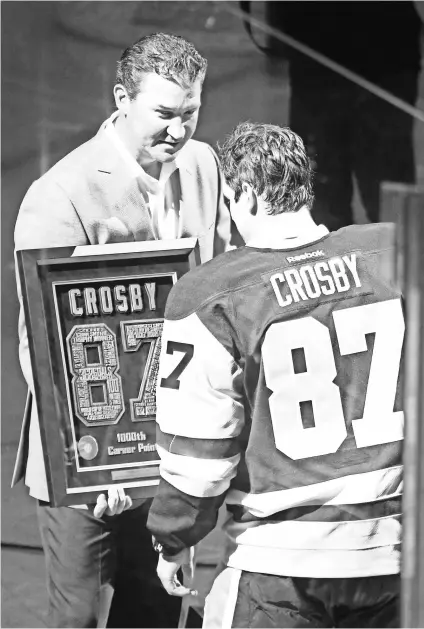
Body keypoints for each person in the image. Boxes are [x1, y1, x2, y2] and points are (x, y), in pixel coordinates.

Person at [13, 32, 236, 629]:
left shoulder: (204, 164)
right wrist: (99, 466)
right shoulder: (59, 195)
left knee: (160, 610)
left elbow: (220, 285)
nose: (179, 130)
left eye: (190, 112)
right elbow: (44, 345)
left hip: (170, 448)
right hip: (88, 458)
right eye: (163, 114)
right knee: (78, 616)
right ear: (121, 98)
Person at [147, 122, 404, 628]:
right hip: (394, 553)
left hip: (281, 565)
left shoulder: (209, 294)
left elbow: (200, 457)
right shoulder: (393, 252)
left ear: (240, 195)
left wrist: (174, 539)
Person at [244, 1, 422, 230]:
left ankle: (399, 256)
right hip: (318, 50)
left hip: (383, 53)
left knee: (387, 195)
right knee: (323, 193)